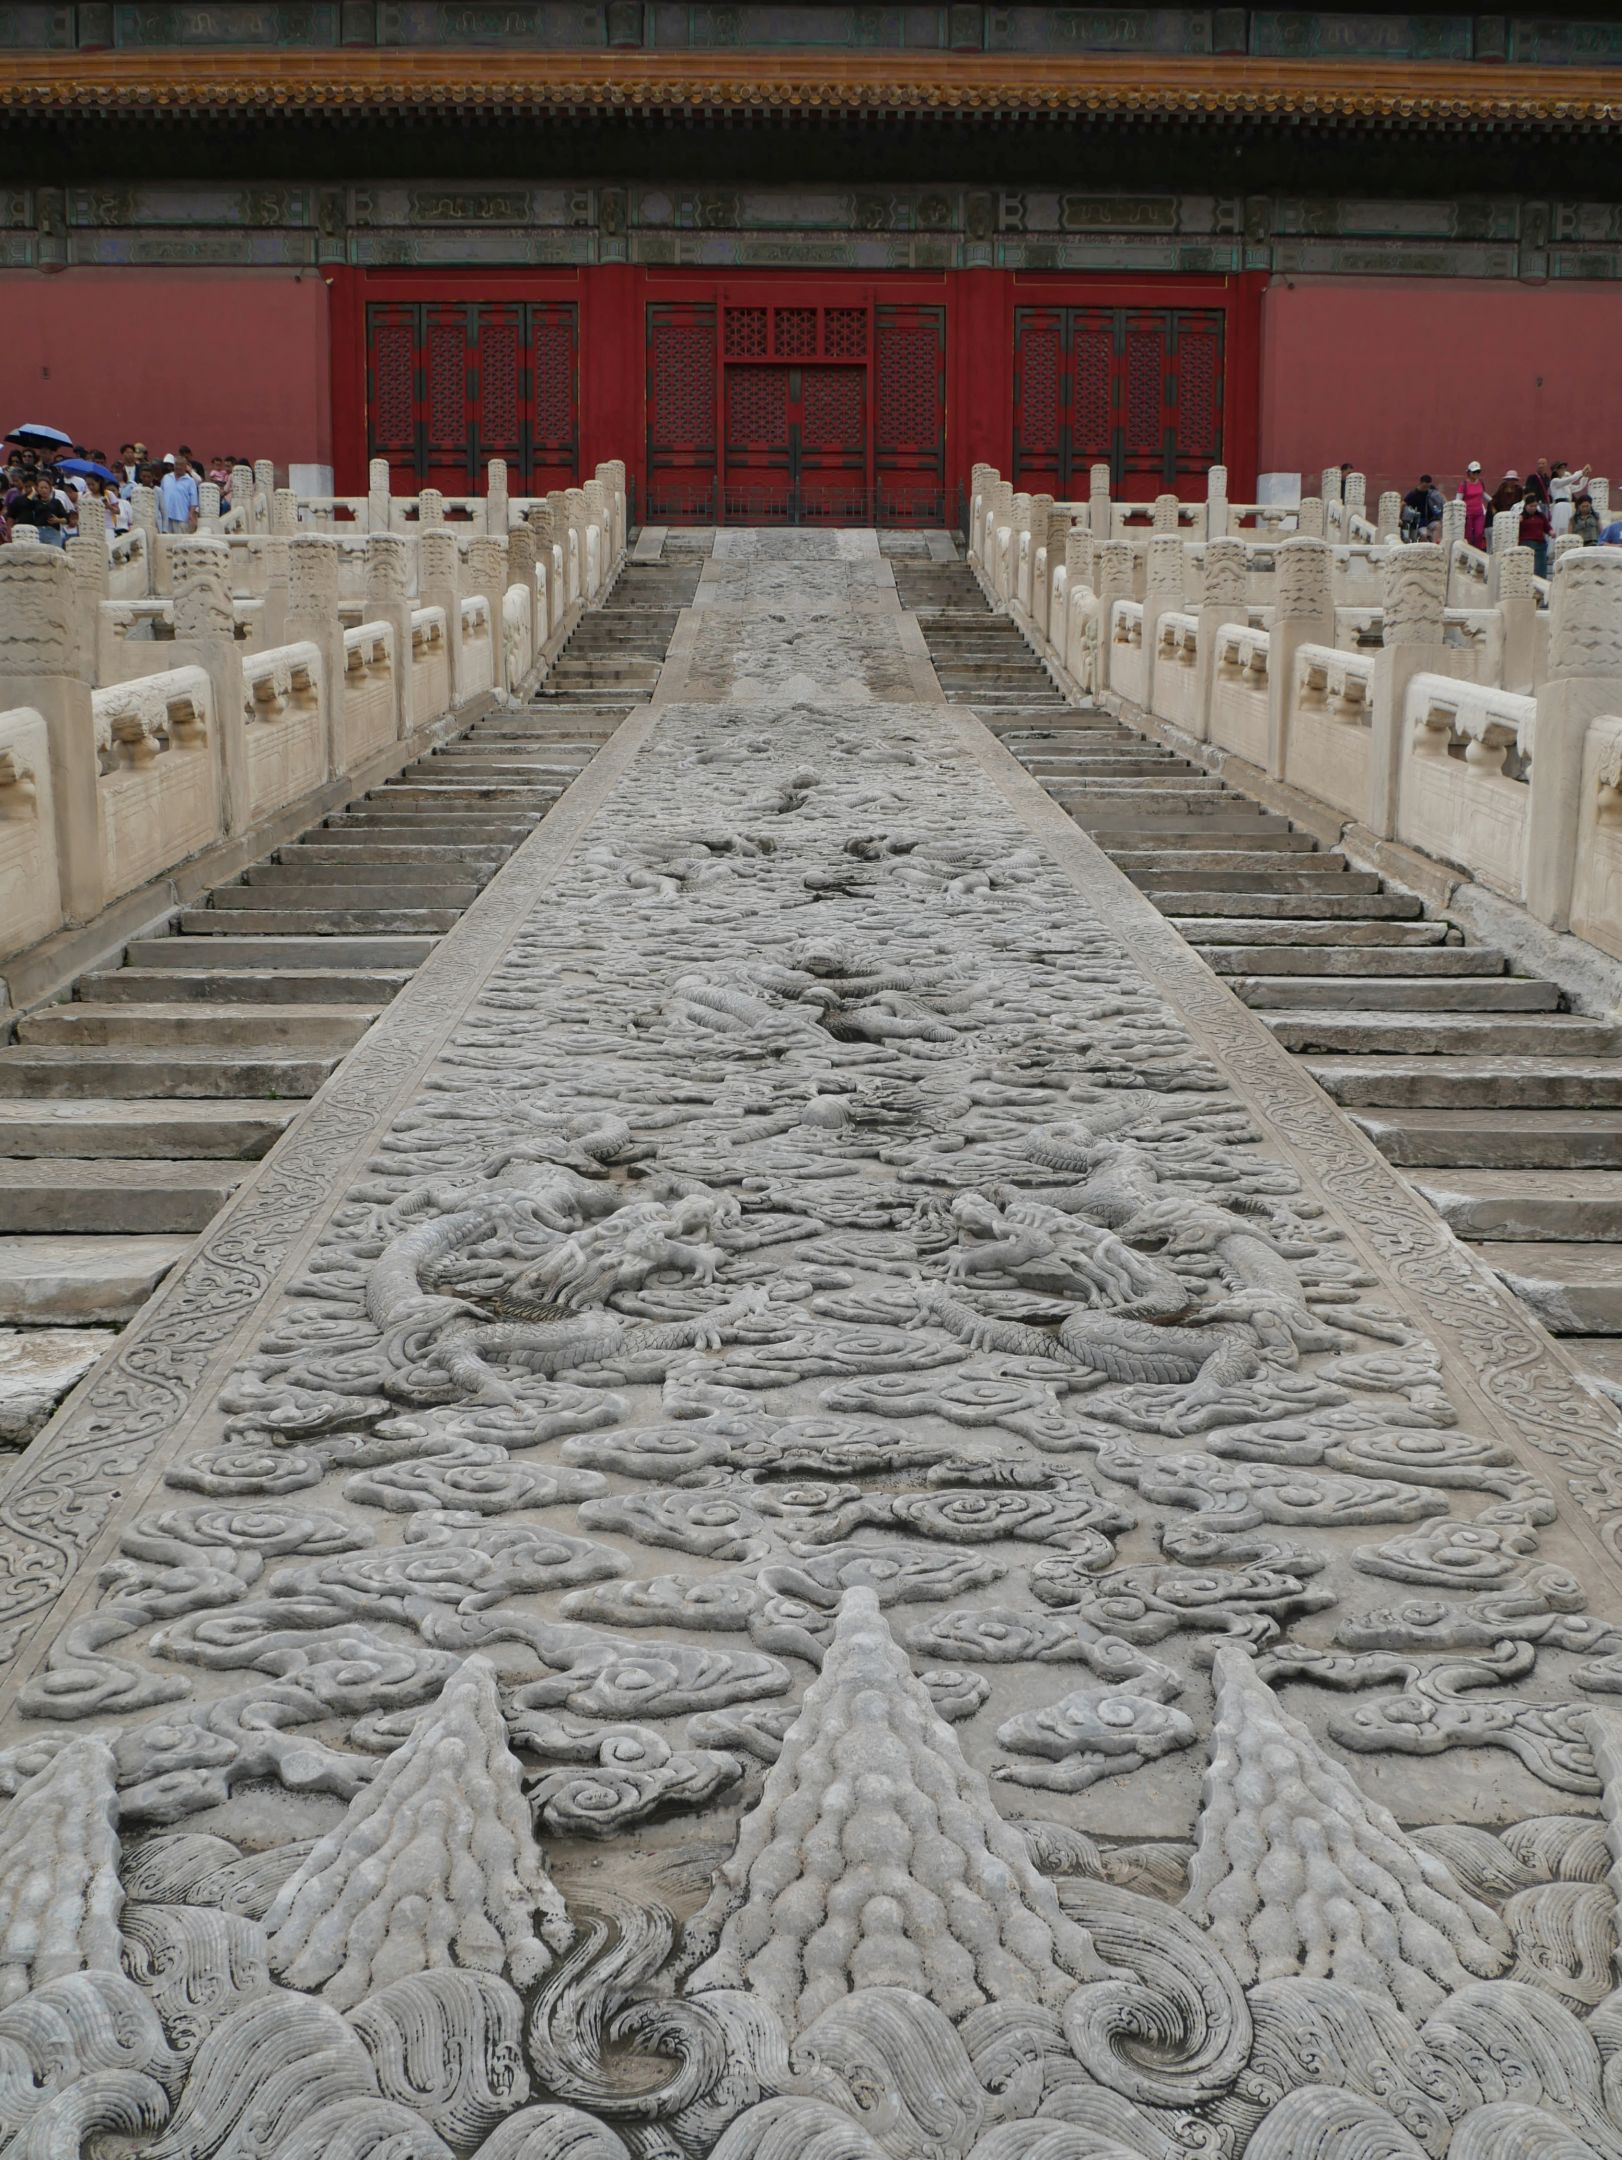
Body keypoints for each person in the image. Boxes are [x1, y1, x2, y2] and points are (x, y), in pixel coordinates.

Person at [158, 452, 199, 533]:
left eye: (181, 465)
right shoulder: (166, 478)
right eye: (176, 464)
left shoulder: (190, 481)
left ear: (185, 466)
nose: (178, 467)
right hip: (166, 517)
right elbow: (160, 496)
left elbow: (193, 502)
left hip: (182, 518)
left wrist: (190, 515)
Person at [1550, 459, 1591, 537]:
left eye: (1564, 468)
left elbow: (1579, 487)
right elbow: (1570, 479)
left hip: (1567, 506)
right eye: (1561, 468)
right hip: (1560, 507)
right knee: (1560, 526)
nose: (1563, 470)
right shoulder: (1555, 481)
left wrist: (1585, 476)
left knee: (1567, 526)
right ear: (1556, 470)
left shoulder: (1565, 485)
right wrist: (1582, 471)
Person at [1519, 483, 1552, 577]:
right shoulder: (1521, 517)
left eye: (1535, 506)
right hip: (1527, 544)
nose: (1533, 508)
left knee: (1541, 567)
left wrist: (1551, 532)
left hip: (1540, 544)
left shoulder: (1540, 516)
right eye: (1531, 506)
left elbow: (1547, 527)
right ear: (1526, 506)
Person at [1402, 474, 1443, 542]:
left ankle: (1435, 545)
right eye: (1425, 486)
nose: (1426, 489)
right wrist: (1399, 518)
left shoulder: (1431, 492)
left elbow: (1440, 498)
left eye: (1428, 486)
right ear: (1420, 483)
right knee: (1424, 534)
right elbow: (1403, 504)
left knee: (1437, 526)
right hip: (1420, 522)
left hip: (1431, 520)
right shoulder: (1413, 494)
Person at [1462, 461, 1487, 550]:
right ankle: (1468, 551)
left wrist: (1493, 501)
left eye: (1478, 472)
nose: (1476, 474)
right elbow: (1458, 498)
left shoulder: (1480, 482)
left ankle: (1478, 551)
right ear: (1469, 472)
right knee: (1468, 535)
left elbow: (1483, 494)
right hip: (1467, 514)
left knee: (1479, 533)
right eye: (1474, 472)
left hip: (1479, 512)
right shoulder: (1464, 484)